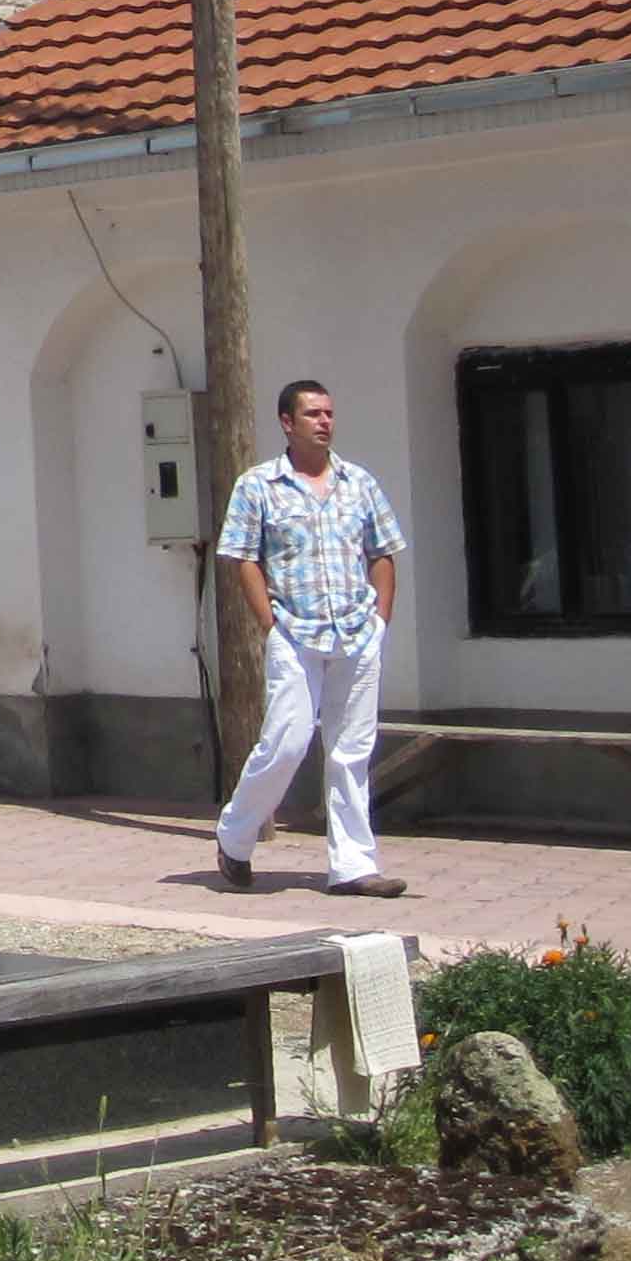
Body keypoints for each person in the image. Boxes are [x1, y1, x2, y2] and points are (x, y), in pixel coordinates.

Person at [215, 376, 408, 899]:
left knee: (351, 750)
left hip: (356, 633)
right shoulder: (258, 485)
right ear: (287, 422)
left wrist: (379, 621)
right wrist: (269, 623)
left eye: (328, 413)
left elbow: (384, 552)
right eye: (313, 414)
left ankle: (353, 866)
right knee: (286, 741)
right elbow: (242, 558)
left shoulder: (359, 482)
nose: (325, 422)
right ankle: (234, 835)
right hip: (295, 634)